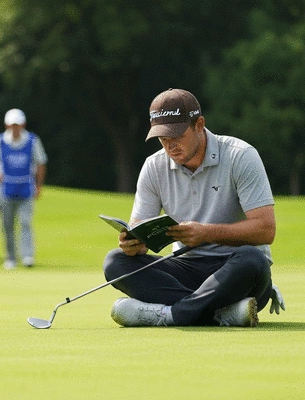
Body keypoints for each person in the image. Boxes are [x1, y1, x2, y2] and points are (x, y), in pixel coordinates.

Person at [103, 88, 285, 327]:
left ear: (199, 125)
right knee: (116, 262)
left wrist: (206, 233)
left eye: (177, 136)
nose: (170, 146)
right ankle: (221, 314)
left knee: (252, 260)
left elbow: (265, 230)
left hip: (235, 271)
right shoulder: (154, 166)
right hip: (185, 268)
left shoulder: (241, 156)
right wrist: (134, 244)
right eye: (163, 138)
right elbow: (140, 224)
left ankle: (168, 315)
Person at [0, 108, 48, 270]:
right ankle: (10, 258)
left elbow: (41, 162)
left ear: (23, 124)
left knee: (25, 222)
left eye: (17, 125)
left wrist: (39, 185)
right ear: (7, 125)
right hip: (5, 189)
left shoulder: (32, 140)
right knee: (7, 225)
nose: (15, 128)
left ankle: (27, 256)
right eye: (12, 125)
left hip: (26, 188)